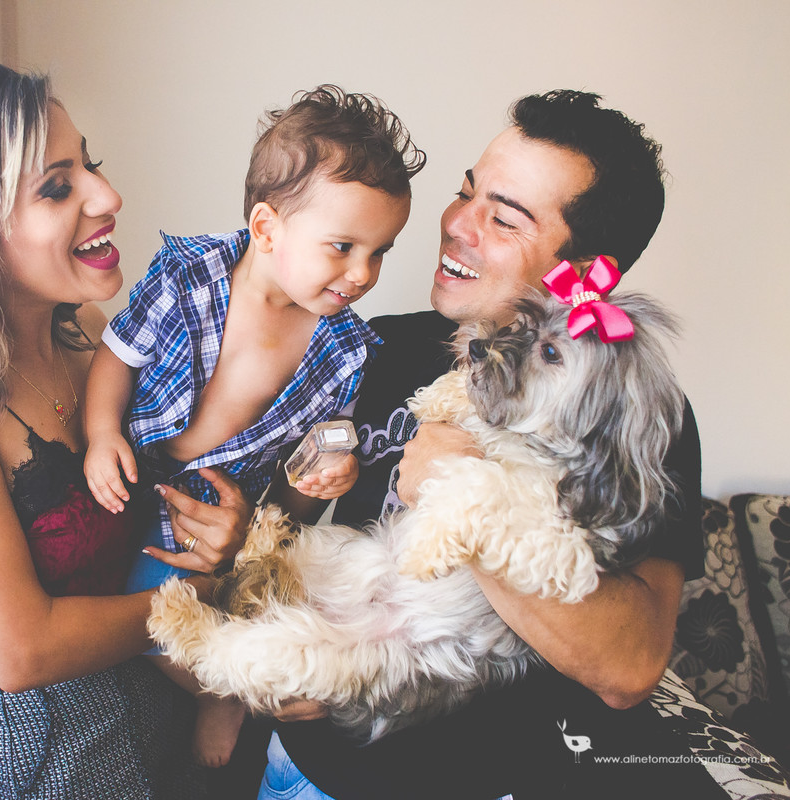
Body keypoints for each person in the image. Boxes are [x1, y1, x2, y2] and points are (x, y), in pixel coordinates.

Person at [256, 90, 723, 799]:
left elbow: (630, 668)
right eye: (464, 193)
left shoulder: (631, 415)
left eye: (501, 218)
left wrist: (468, 502)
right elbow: (282, 510)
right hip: (301, 767)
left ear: (584, 272)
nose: (454, 226)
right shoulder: (372, 343)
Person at [0, 59, 250, 799]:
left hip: (166, 706)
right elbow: (21, 650)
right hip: (55, 755)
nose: (108, 195)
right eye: (57, 187)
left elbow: (171, 483)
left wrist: (217, 534)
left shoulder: (88, 337)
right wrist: (203, 601)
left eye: (90, 164)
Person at [82, 86, 426, 768]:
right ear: (268, 229)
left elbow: (291, 500)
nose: (362, 274)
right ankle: (224, 694)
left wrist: (320, 478)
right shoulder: (188, 275)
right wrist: (100, 434)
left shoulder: (345, 350)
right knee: (147, 615)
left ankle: (238, 690)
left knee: (244, 605)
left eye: (381, 251)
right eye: (343, 246)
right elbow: (117, 356)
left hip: (222, 512)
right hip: (133, 474)